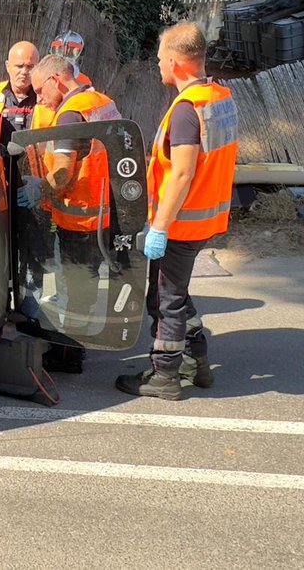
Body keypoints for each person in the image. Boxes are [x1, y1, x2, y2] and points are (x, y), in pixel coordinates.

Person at [115, 22, 238, 400]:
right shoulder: (219, 97)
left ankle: (165, 376)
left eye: (159, 59)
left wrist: (160, 227)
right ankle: (196, 361)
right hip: (207, 218)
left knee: (165, 300)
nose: (157, 66)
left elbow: (182, 172)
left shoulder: (186, 109)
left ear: (176, 62)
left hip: (182, 224)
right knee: (179, 294)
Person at [23, 55, 122, 369]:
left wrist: (40, 188)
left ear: (55, 81)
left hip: (80, 218)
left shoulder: (69, 115)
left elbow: (64, 172)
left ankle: (69, 354)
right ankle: (76, 347)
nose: (39, 99)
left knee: (75, 288)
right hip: (103, 212)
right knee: (88, 285)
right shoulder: (101, 101)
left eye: (40, 91)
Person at [0, 41, 40, 145]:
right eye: (19, 66)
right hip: (1, 159)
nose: (24, 72)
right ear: (8, 66)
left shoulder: (44, 98)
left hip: (34, 160)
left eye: (30, 67)